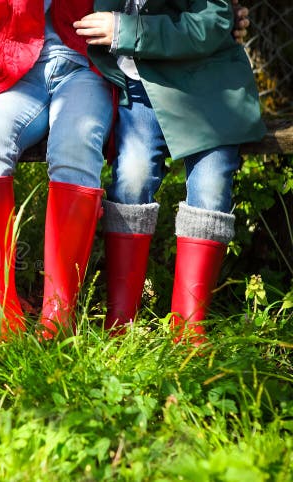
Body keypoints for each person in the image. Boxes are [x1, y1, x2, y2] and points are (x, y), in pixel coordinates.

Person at [0, 0, 254, 341]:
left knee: (77, 146)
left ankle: (59, 311)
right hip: (13, 70)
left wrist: (224, 16)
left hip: (87, 68)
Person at [75, 0, 265, 343]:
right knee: (132, 174)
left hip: (207, 87)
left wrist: (126, 30)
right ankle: (121, 319)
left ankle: (188, 326)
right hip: (139, 87)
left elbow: (213, 20)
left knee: (210, 184)